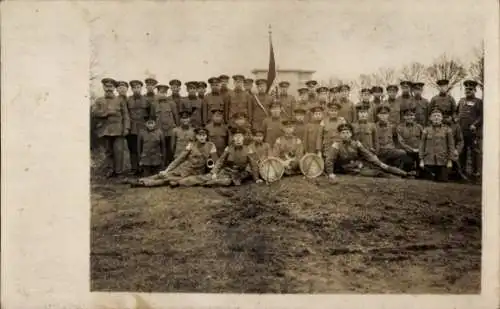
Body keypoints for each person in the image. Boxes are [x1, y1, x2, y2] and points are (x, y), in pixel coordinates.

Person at [129, 126, 218, 187]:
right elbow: (179, 159)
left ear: (206, 136)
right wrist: (167, 169)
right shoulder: (191, 145)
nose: (202, 137)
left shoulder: (211, 145)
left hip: (196, 172)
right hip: (185, 168)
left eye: (204, 135)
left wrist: (214, 173)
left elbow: (216, 161)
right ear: (196, 136)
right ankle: (140, 180)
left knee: (168, 179)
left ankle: (144, 183)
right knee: (164, 174)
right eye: (200, 135)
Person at [325, 123, 410, 180]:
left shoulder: (356, 143)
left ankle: (406, 174)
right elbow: (329, 160)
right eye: (343, 133)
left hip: (360, 165)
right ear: (340, 135)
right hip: (350, 169)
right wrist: (330, 173)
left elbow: (368, 155)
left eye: (347, 132)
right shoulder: (336, 145)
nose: (345, 135)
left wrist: (380, 163)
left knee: (383, 167)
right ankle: (398, 179)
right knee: (377, 173)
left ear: (351, 134)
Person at [91, 78, 130, 178]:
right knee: (108, 152)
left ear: (114, 88)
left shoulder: (120, 100)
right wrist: (106, 113)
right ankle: (109, 170)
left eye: (111, 87)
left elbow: (126, 115)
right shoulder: (99, 100)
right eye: (107, 86)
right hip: (105, 130)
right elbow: (94, 113)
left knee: (119, 151)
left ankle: (119, 172)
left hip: (118, 130)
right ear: (103, 87)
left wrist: (126, 128)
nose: (109, 89)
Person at [419, 108, 454, 182]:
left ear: (441, 118)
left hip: (442, 161)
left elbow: (451, 146)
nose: (436, 117)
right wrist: (421, 160)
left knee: (443, 181)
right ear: (430, 118)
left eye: (438, 116)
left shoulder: (448, 130)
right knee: (427, 181)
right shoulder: (426, 130)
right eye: (434, 116)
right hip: (428, 161)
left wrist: (450, 160)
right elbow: (422, 145)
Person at [456, 79, 483, 178]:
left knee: (475, 152)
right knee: (462, 151)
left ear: (475, 90)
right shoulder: (461, 100)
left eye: (470, 89)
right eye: (466, 89)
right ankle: (461, 171)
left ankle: (476, 172)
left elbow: (481, 116)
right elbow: (456, 112)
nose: (468, 91)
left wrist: (475, 125)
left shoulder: (479, 102)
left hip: (473, 132)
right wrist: (456, 119)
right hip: (462, 131)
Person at [126, 79, 151, 175]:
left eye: (138, 87)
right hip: (132, 128)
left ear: (141, 88)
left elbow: (149, 115)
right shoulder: (128, 100)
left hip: (143, 128)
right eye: (134, 88)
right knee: (132, 149)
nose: (136, 89)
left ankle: (143, 167)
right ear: (131, 89)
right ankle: (134, 168)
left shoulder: (146, 100)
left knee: (143, 148)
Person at [150, 86, 179, 167]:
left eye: (164, 93)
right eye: (160, 92)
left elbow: (175, 116)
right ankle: (161, 165)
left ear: (166, 94)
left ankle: (171, 165)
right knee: (160, 147)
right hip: (159, 130)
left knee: (171, 147)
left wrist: (177, 127)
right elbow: (152, 117)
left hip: (170, 130)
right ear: (157, 93)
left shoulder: (171, 103)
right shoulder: (154, 104)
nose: (162, 94)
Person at [395, 107, 423, 173]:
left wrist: (420, 149)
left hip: (418, 151)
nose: (409, 117)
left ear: (414, 116)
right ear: (404, 117)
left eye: (411, 115)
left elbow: (423, 140)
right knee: (407, 164)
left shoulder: (419, 127)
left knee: (423, 170)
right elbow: (400, 142)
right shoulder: (400, 127)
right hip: (406, 152)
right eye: (407, 115)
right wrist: (411, 149)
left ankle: (419, 171)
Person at [442, 110, 466, 181]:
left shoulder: (456, 126)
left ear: (451, 117)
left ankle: (459, 174)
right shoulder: (437, 124)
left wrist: (457, 150)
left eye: (448, 116)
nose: (446, 118)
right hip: (440, 150)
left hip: (451, 150)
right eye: (444, 116)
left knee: (455, 160)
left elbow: (460, 140)